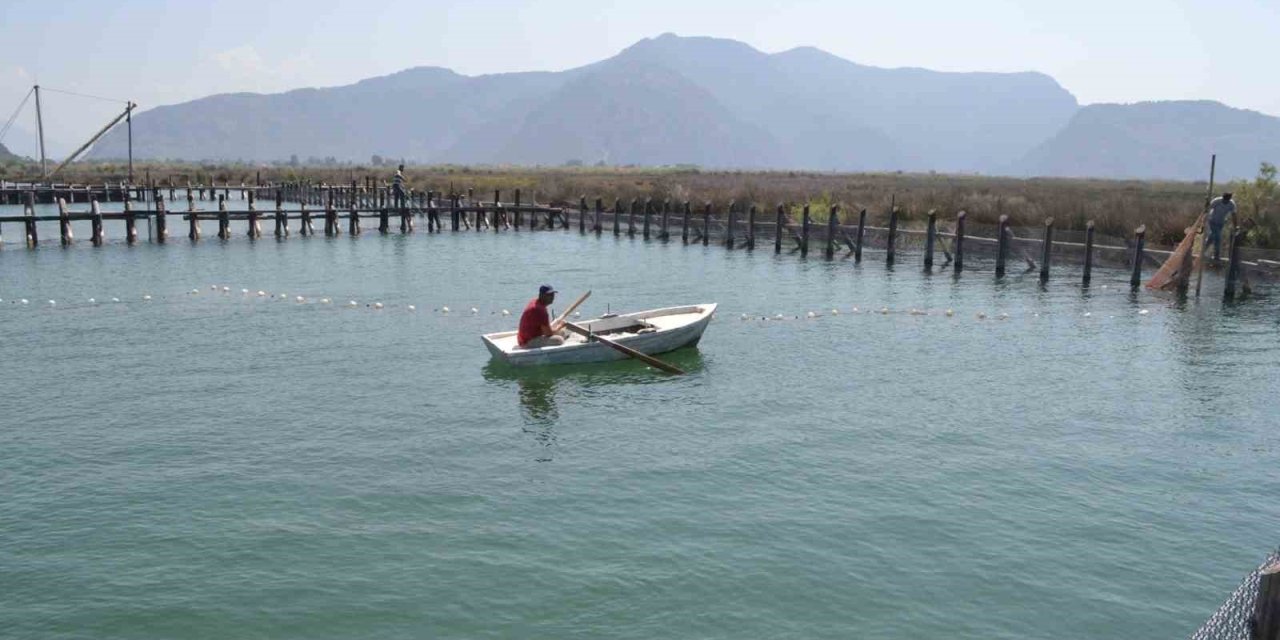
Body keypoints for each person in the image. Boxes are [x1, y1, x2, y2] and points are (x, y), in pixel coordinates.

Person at [1207, 192, 1236, 261]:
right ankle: (1216, 255)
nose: (1225, 202)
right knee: (1218, 238)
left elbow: (1234, 215)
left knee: (1211, 237)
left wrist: (1236, 225)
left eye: (1227, 200)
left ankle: (1204, 249)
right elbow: (1207, 209)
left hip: (1220, 223)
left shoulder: (1231, 204)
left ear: (1229, 199)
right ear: (1222, 198)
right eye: (1224, 200)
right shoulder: (1216, 201)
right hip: (1212, 221)